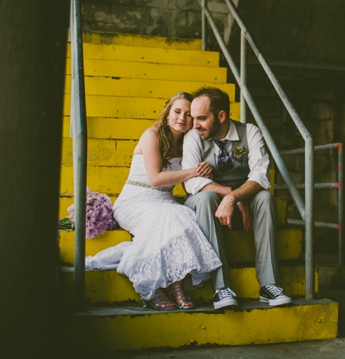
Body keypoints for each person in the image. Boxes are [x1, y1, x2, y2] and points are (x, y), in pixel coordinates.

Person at [111, 92, 222, 310]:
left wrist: (205, 172)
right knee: (170, 217)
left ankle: (176, 285)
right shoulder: (152, 135)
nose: (182, 118)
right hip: (135, 201)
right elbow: (155, 179)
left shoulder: (188, 143)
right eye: (177, 112)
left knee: (183, 217)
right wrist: (193, 171)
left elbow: (186, 184)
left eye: (189, 114)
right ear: (167, 110)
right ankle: (155, 288)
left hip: (164, 202)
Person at [183, 87, 292, 309]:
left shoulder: (249, 132)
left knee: (265, 198)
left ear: (221, 116)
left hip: (242, 193)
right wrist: (231, 196)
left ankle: (269, 285)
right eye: (193, 118)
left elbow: (260, 175)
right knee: (205, 199)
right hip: (206, 197)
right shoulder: (192, 137)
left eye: (201, 118)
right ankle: (221, 288)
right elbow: (192, 183)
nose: (195, 125)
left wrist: (235, 197)